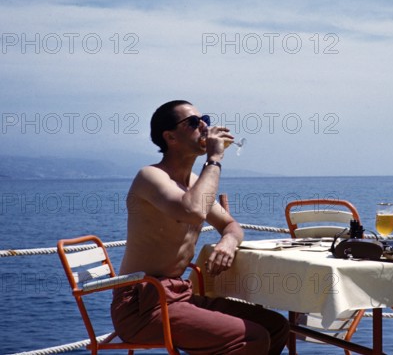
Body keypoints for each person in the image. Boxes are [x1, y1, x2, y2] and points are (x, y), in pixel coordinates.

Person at [111, 100, 289, 354]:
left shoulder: (194, 182)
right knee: (253, 337)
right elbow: (192, 211)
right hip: (143, 306)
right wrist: (214, 159)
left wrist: (228, 241)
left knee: (275, 326)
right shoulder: (150, 177)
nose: (204, 126)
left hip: (178, 295)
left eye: (204, 118)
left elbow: (230, 224)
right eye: (193, 122)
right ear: (170, 137)